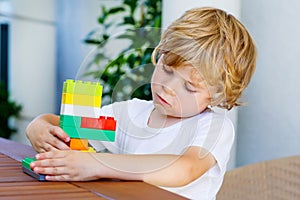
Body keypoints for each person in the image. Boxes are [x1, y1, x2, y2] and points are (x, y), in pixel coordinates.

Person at [26, 7, 257, 200]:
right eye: (166, 69)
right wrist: (39, 125)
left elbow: (184, 169)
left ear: (217, 96)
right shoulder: (130, 113)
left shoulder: (213, 127)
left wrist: (96, 164)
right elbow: (71, 127)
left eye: (189, 87)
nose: (169, 87)